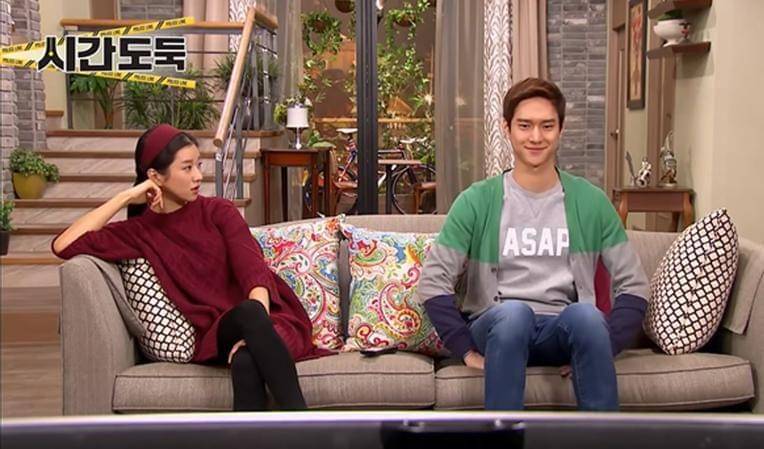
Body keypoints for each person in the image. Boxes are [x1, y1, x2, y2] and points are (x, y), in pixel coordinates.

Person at [52, 124, 331, 411]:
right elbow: (63, 245)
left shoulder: (218, 211)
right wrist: (125, 196)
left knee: (246, 359)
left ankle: (296, 429)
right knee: (246, 328)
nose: (198, 176)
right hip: (215, 334)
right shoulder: (139, 233)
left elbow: (253, 272)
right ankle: (308, 429)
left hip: (268, 318)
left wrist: (255, 332)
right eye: (187, 168)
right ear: (155, 176)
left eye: (198, 165)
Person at [416, 78, 649, 411]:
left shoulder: (591, 201)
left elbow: (635, 286)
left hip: (560, 330)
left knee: (587, 315)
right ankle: (503, 434)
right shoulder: (476, 201)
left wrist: (602, 346)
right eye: (525, 125)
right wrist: (465, 349)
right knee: (514, 314)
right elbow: (433, 281)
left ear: (561, 130)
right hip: (497, 327)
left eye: (547, 126)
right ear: (507, 128)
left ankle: (600, 435)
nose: (536, 137)